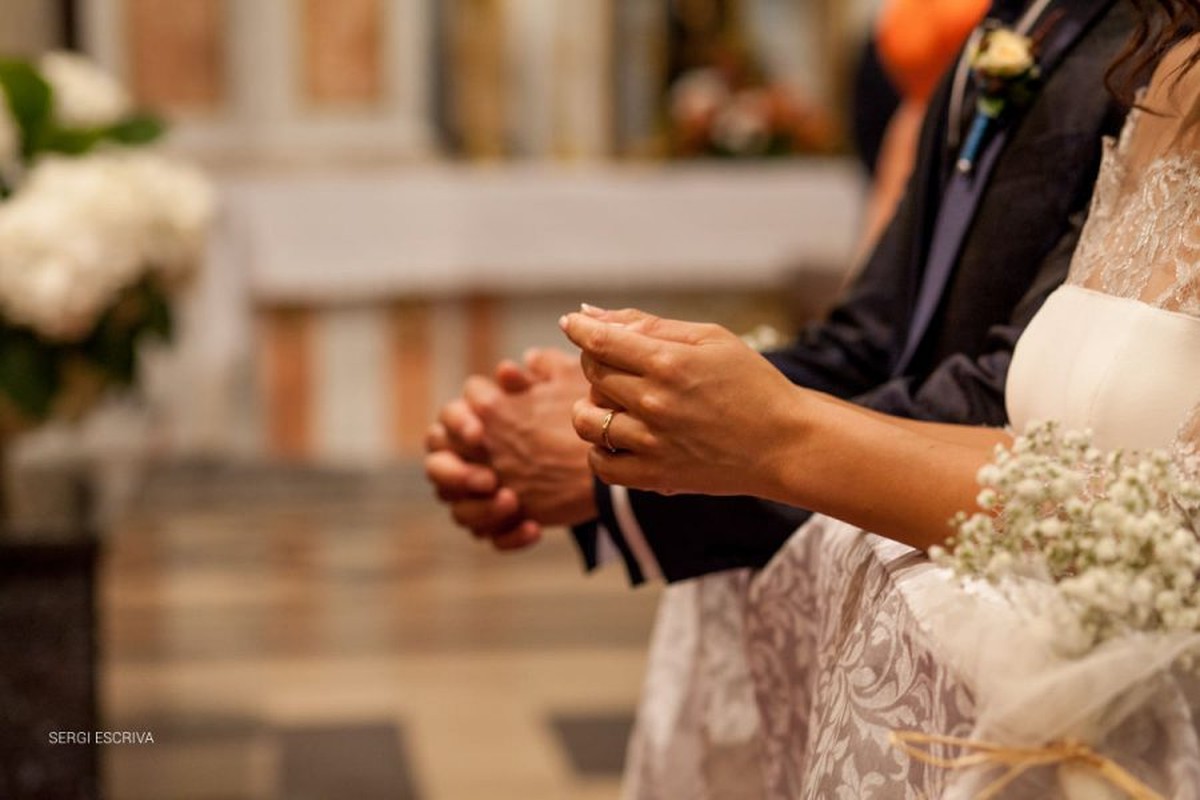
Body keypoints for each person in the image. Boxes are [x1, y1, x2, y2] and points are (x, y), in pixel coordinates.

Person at [558, 4, 1200, 794]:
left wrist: (780, 437)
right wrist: (710, 410)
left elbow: (1172, 507)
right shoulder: (1169, 72)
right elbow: (1053, 447)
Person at [427, 0, 1133, 589]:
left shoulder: (1146, 54)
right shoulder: (1001, 28)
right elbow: (866, 342)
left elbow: (1014, 399)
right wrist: (625, 403)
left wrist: (625, 463)